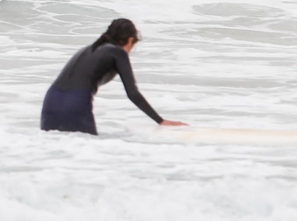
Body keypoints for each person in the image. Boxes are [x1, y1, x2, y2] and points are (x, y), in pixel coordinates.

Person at [41, 18, 187, 134]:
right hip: (76, 103)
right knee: (85, 154)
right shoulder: (118, 53)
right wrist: (160, 121)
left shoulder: (88, 50)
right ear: (130, 40)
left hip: (51, 101)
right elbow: (132, 93)